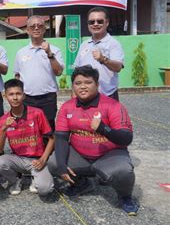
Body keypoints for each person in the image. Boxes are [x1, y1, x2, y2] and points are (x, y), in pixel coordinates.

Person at [48, 65, 138, 216]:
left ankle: (125, 196)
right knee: (55, 163)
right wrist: (62, 167)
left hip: (109, 155)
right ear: (73, 86)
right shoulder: (67, 107)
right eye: (78, 83)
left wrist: (103, 128)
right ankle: (82, 183)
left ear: (97, 84)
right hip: (81, 156)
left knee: (124, 171)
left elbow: (126, 138)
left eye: (88, 82)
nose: (82, 86)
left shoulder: (113, 105)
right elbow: (62, 138)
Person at [0, 79, 54, 197]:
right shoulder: (3, 120)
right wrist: (3, 129)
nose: (15, 98)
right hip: (18, 159)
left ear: (24, 95)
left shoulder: (37, 113)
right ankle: (16, 180)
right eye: (11, 94)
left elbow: (52, 138)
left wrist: (43, 159)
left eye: (18, 94)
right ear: (5, 96)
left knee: (45, 190)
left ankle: (34, 176)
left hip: (37, 160)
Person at [14, 16, 64, 131]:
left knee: (48, 130)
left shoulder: (54, 50)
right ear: (28, 30)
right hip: (28, 98)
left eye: (40, 25)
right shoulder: (21, 53)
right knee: (29, 130)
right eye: (32, 26)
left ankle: (49, 149)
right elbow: (17, 76)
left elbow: (59, 72)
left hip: (48, 98)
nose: (36, 28)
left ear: (44, 29)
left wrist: (49, 53)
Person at [73, 7, 124, 100]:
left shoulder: (113, 44)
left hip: (107, 96)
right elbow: (77, 71)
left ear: (107, 23)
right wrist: (74, 95)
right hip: (85, 97)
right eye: (91, 22)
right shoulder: (84, 45)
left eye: (99, 21)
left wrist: (103, 59)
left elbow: (118, 67)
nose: (95, 24)